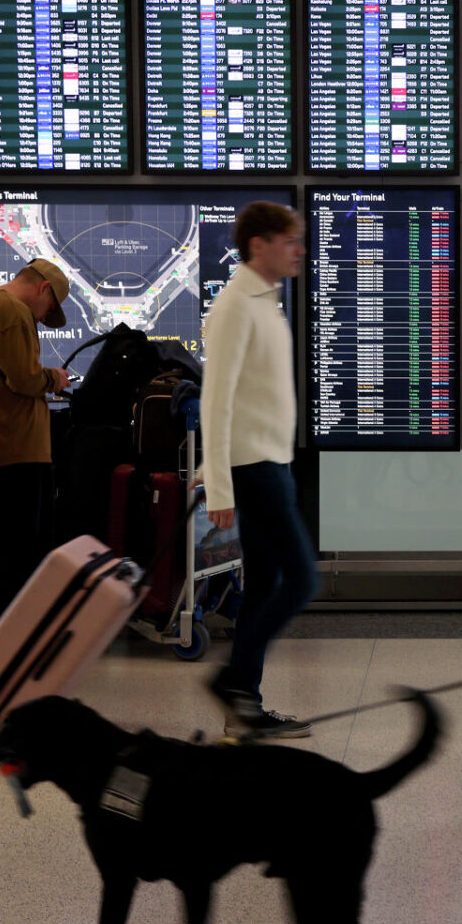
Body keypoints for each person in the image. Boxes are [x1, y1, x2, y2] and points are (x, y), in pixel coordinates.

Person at [199, 201, 317, 738]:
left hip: (273, 462)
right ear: (258, 245)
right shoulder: (234, 308)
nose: (299, 249)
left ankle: (243, 705)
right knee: (302, 578)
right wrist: (219, 484)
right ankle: (232, 683)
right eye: (289, 240)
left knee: (266, 581)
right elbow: (215, 401)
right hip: (253, 467)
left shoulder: (264, 302)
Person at [0, 257, 71, 624]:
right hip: (15, 452)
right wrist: (55, 378)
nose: (42, 318)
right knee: (21, 559)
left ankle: (1, 644)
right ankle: (13, 647)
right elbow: (22, 379)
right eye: (48, 309)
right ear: (42, 288)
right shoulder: (12, 310)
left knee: (3, 557)